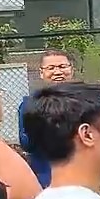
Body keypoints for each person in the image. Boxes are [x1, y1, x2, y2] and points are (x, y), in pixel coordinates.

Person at [17, 47, 77, 187]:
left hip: (82, 175)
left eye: (62, 66)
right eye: (51, 68)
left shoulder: (86, 101)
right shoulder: (30, 105)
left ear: (71, 69)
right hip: (46, 178)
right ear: (41, 73)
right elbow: (26, 144)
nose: (57, 72)